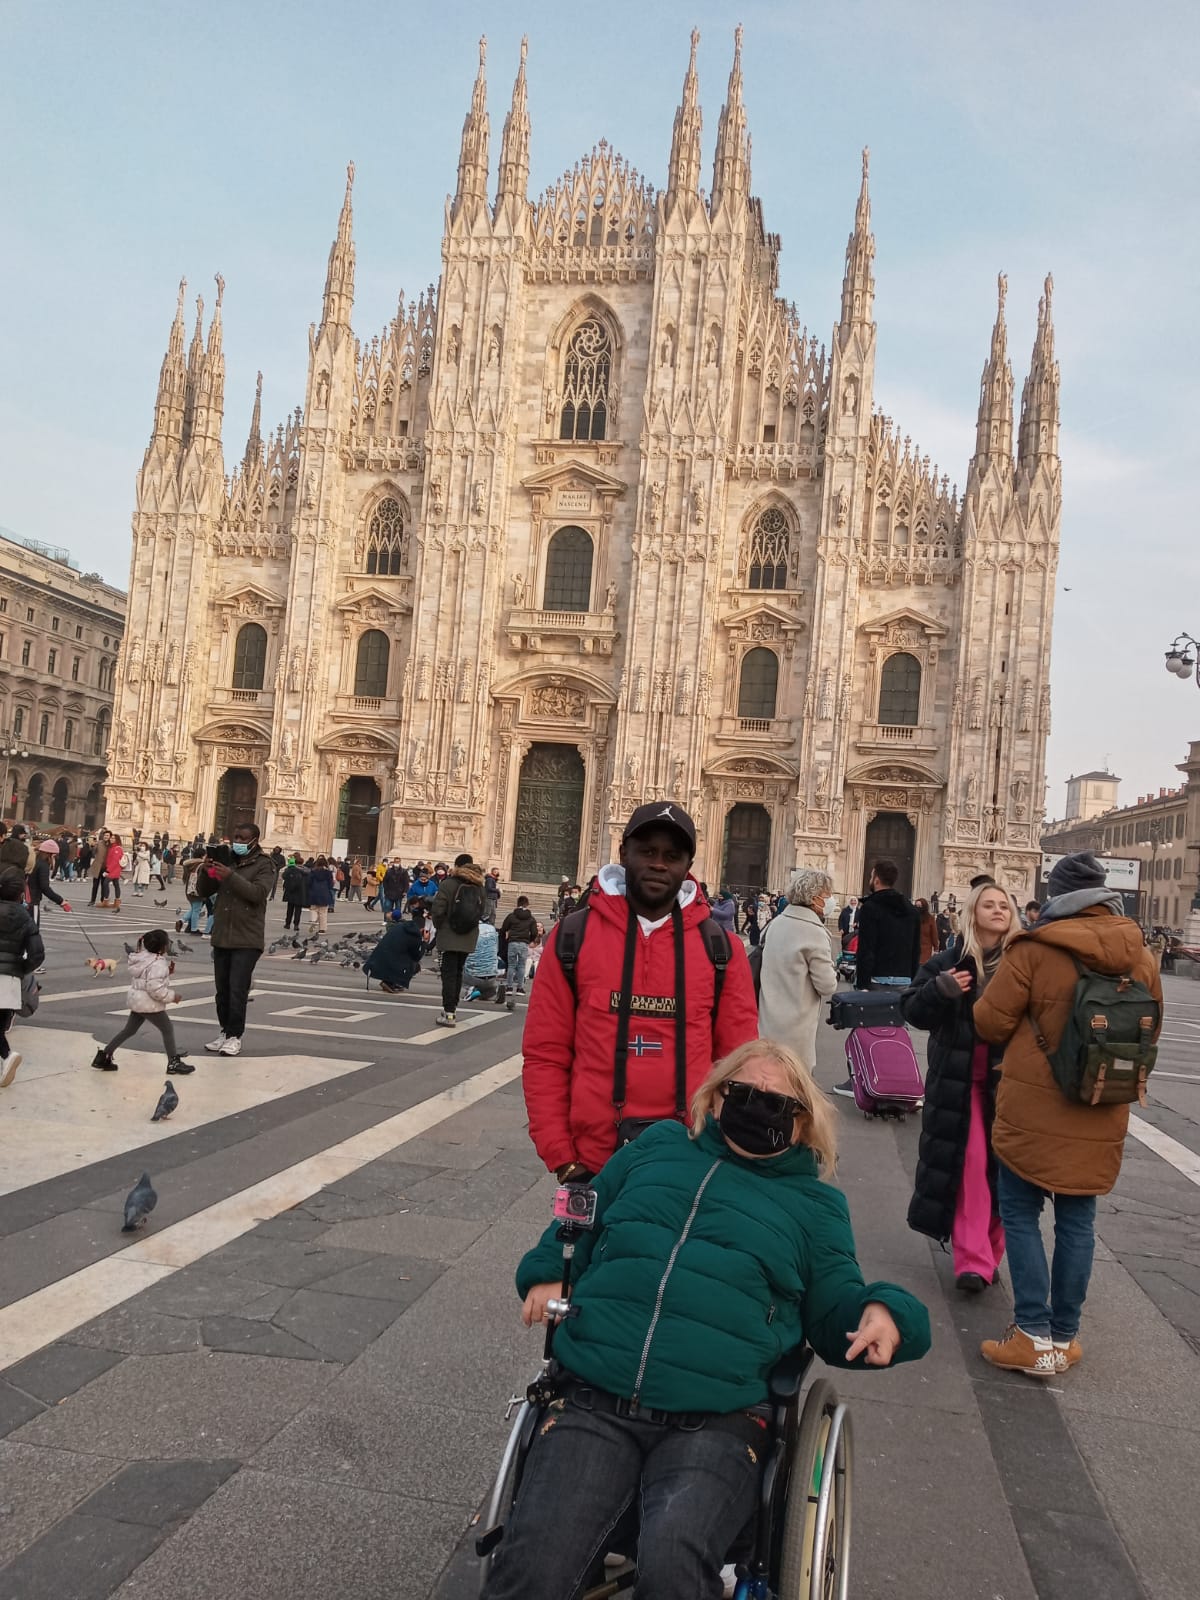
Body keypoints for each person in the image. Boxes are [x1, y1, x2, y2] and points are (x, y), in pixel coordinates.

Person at [482, 1038, 931, 1599]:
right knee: (533, 1567)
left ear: (802, 1125)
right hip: (596, 1396)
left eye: (779, 1104)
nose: (757, 1108)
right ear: (714, 1099)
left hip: (718, 1422)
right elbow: (584, 1217)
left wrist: (887, 1312)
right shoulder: (656, 1148)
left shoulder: (814, 1207)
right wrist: (548, 1269)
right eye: (743, 1093)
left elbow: (838, 1305)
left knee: (673, 1567)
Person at [973, 851, 1164, 1376]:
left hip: (1034, 1106)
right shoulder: (1141, 955)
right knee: (1078, 1222)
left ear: (1056, 893)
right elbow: (1154, 1028)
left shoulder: (1034, 948)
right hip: (1101, 1104)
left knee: (1020, 1214)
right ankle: (1064, 1337)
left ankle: (1032, 1335)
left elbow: (989, 1023)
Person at [522, 801, 758, 1182]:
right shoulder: (572, 938)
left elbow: (739, 1063)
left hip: (692, 1160)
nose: (659, 864)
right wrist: (562, 1157)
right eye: (647, 851)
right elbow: (545, 1054)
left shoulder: (722, 951)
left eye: (672, 855)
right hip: (593, 1163)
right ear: (623, 853)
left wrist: (726, 1154)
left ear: (688, 867)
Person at [903, 882, 1017, 1294]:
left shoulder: (1024, 963)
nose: (998, 910)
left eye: (1004, 904)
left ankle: (989, 1251)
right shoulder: (951, 960)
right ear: (973, 912)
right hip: (961, 1082)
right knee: (969, 1167)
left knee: (1005, 1173)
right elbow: (913, 1009)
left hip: (1012, 1086)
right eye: (989, 904)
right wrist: (939, 990)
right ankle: (972, 1261)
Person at [196, 823, 276, 1059]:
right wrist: (206, 870)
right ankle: (224, 1030)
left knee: (237, 990)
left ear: (255, 840)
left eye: (243, 838)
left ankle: (235, 1036)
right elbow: (203, 891)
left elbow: (258, 894)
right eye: (236, 837)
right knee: (222, 990)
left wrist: (230, 876)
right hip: (222, 934)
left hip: (247, 937)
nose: (237, 841)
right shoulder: (227, 859)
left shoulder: (265, 864)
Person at [757, 868, 839, 1072]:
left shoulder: (775, 924)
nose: (830, 900)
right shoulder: (814, 932)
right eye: (827, 895)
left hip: (767, 1020)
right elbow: (827, 985)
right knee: (793, 1084)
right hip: (796, 1027)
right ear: (814, 898)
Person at [91, 929, 192, 1075]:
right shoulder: (158, 963)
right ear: (162, 947)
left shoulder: (141, 958)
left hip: (137, 1000)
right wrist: (172, 996)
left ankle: (104, 1057)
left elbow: (146, 978)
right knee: (167, 1029)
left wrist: (167, 973)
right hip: (148, 1004)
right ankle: (173, 1062)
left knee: (129, 1030)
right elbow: (154, 988)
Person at [431, 852, 487, 1026]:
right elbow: (482, 912)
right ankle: (452, 1009)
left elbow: (438, 910)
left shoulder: (448, 884)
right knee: (458, 972)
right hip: (468, 936)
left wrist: (440, 926)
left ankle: (449, 1012)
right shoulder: (480, 887)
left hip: (449, 935)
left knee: (448, 974)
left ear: (456, 866)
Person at [0, 866, 43, 1088]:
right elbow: (37, 954)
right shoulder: (25, 918)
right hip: (10, 980)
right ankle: (6, 1058)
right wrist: (21, 968)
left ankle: (7, 1055)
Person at [363, 907, 424, 993]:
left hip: (380, 956)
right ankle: (389, 982)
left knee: (399, 957)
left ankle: (392, 982)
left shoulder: (401, 926)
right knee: (413, 965)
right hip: (391, 960)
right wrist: (424, 942)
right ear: (421, 928)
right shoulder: (415, 935)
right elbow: (416, 956)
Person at [498, 894, 538, 1003]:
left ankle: (509, 987)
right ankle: (520, 988)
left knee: (511, 965)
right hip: (524, 943)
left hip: (513, 942)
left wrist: (505, 936)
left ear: (518, 904)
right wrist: (529, 939)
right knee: (521, 965)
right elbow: (534, 932)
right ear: (527, 904)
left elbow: (504, 928)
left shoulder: (511, 916)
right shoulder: (531, 918)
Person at [463, 918, 502, 1002]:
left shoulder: (469, 929)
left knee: (457, 965)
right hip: (492, 975)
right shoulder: (492, 929)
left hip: (474, 975)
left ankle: (470, 988)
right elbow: (497, 948)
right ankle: (496, 989)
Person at [306, 856, 336, 935]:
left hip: (314, 892)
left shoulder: (313, 872)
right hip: (324, 893)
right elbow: (331, 884)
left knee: (313, 908)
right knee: (323, 912)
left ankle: (313, 920)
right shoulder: (328, 873)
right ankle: (322, 929)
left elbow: (308, 882)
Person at [280, 856, 309, 933]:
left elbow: (283, 876)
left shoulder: (290, 869)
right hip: (300, 892)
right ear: (302, 862)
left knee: (290, 909)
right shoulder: (306, 871)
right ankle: (296, 925)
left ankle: (287, 923)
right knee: (298, 910)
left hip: (291, 891)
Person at [103, 833, 126, 911]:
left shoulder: (117, 848)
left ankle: (106, 900)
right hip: (113, 868)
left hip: (114, 869)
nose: (111, 839)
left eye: (113, 838)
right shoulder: (112, 847)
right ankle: (117, 901)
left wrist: (108, 870)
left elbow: (115, 861)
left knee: (105, 883)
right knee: (116, 884)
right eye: (111, 838)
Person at [915, 897, 938, 966]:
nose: (917, 908)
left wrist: (936, 948)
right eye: (916, 906)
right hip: (913, 949)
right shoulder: (912, 917)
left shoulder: (930, 919)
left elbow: (934, 934)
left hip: (925, 949)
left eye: (920, 906)